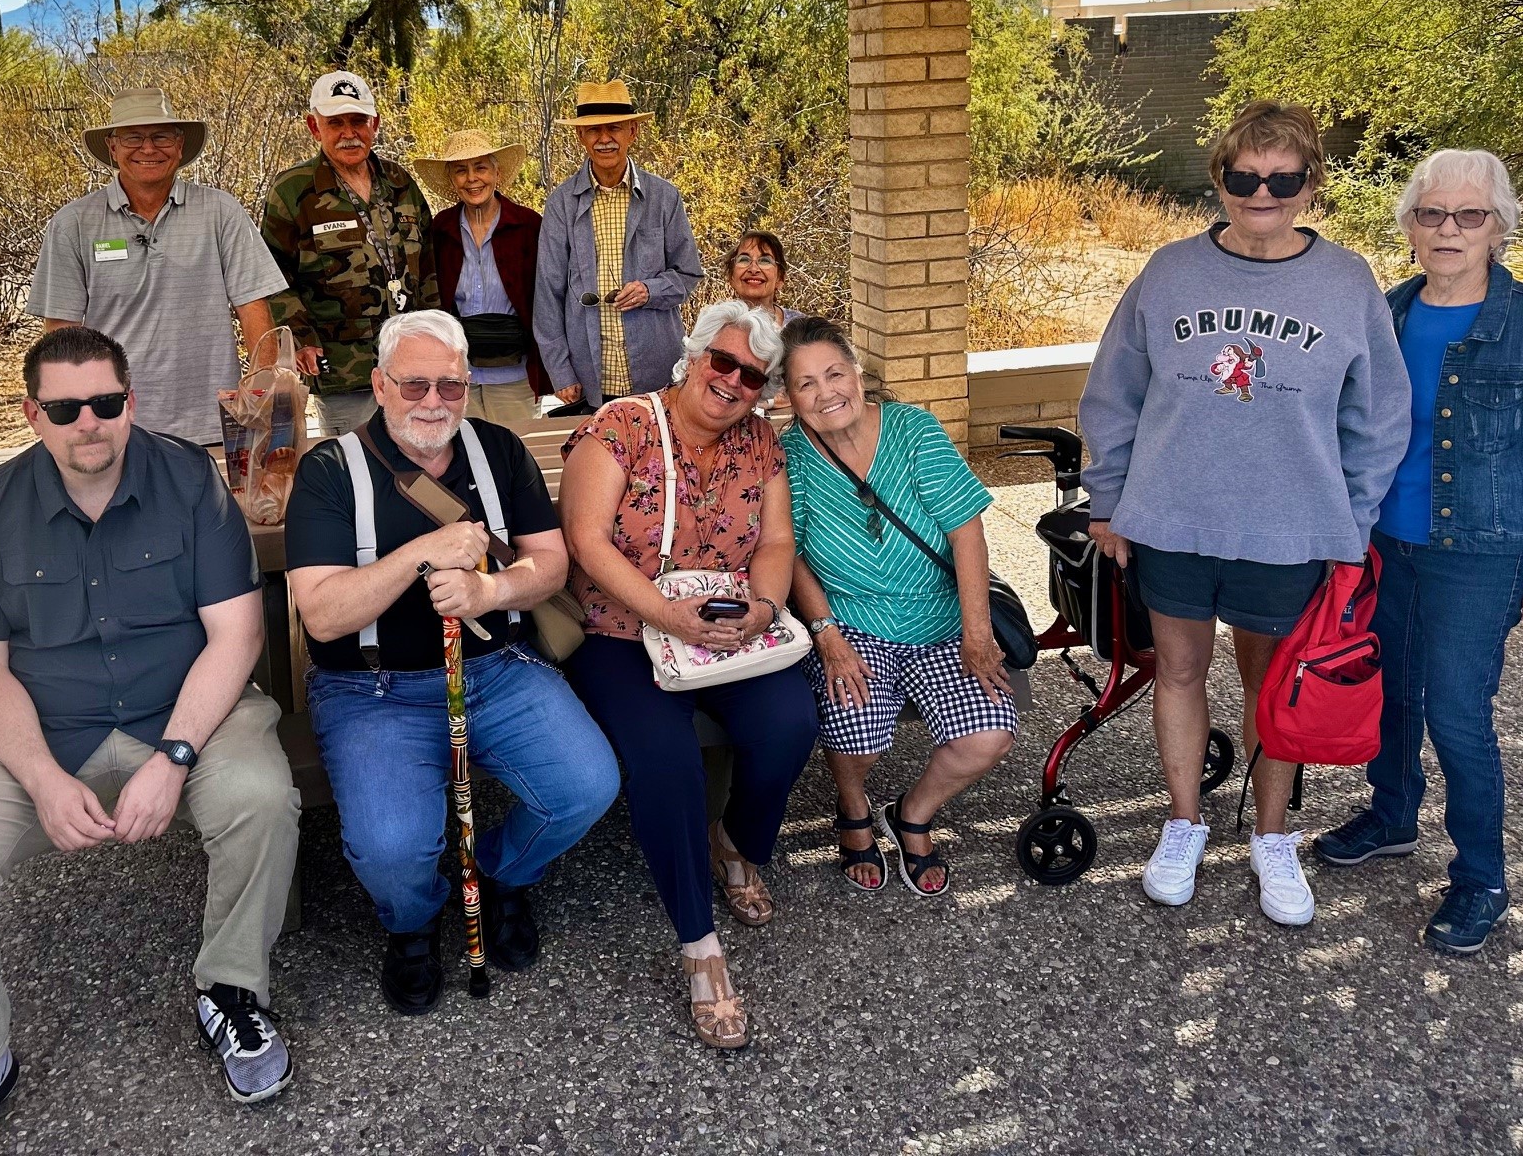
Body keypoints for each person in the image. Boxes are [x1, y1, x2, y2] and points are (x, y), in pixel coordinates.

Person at [0, 326, 302, 1154]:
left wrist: (175, 758)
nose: (89, 422)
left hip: (185, 715)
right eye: (66, 407)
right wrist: (39, 777)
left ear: (130, 403)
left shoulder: (190, 483)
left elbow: (235, 637)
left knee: (261, 796)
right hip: (42, 732)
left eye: (106, 403)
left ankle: (229, 992)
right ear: (33, 413)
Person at [1079, 101, 1409, 928]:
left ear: (1309, 185)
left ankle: (1271, 838)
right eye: (1244, 175)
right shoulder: (1167, 270)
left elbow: (1379, 414)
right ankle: (1182, 823)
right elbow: (1111, 395)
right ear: (1220, 180)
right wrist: (1109, 500)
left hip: (1287, 529)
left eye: (1282, 177)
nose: (1262, 192)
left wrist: (1350, 517)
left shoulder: (1345, 282)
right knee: (1180, 672)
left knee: (1272, 686)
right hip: (1174, 518)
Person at [284, 310, 618, 1014]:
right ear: (378, 385)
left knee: (584, 786)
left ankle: (498, 873)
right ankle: (413, 922)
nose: (433, 402)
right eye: (413, 386)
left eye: (450, 386)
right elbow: (321, 614)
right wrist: (416, 557)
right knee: (389, 851)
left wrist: (490, 589)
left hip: (493, 670)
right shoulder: (328, 471)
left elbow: (549, 565)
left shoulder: (497, 450)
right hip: (370, 689)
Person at [1315, 150, 1523, 954]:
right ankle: (1392, 814)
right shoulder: (1389, 311)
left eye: (1468, 215)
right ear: (1407, 225)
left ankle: (1480, 878)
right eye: (1431, 214)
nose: (1448, 230)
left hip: (1482, 550)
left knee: (1458, 714)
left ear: (1497, 228)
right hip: (1386, 542)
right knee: (1394, 692)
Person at [558, 300, 816, 1049]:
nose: (732, 382)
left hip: (723, 629)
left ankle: (733, 841)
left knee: (790, 722)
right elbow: (585, 540)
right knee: (665, 761)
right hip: (622, 632)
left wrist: (765, 607)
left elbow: (776, 538)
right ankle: (699, 946)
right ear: (695, 355)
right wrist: (667, 617)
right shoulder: (623, 426)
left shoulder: (758, 442)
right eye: (723, 362)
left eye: (751, 376)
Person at [779, 316, 1018, 897]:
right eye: (806, 383)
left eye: (835, 373)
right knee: (856, 725)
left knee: (990, 732)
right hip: (852, 622)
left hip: (941, 619)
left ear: (858, 374)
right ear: (788, 397)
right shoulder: (789, 455)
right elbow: (792, 557)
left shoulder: (914, 431)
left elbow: (966, 531)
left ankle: (910, 813)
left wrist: (976, 631)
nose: (826, 392)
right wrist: (826, 636)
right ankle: (853, 806)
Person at [29, 88, 287, 445]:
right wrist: (71, 416)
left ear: (180, 146)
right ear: (112, 147)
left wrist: (262, 396)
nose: (148, 149)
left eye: (161, 136)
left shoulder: (221, 213)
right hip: (117, 427)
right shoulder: (73, 224)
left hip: (214, 424)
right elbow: (61, 334)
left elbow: (254, 309)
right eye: (133, 137)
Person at [262, 70, 440, 436]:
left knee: (419, 463)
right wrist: (300, 337)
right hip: (344, 371)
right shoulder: (294, 190)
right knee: (355, 471)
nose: (348, 133)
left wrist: (436, 333)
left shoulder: (400, 182)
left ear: (374, 124)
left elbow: (429, 265)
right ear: (315, 127)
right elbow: (272, 274)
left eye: (358, 121)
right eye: (335, 123)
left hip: (411, 366)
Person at [533, 80, 703, 415]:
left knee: (660, 463)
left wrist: (649, 291)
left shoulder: (664, 198)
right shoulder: (561, 204)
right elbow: (547, 295)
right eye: (594, 130)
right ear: (581, 137)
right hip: (590, 375)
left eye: (615, 128)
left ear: (632, 131)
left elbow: (688, 273)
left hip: (658, 372)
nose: (604, 138)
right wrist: (561, 371)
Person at [416, 129, 548, 426]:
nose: (472, 178)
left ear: (497, 173)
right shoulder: (441, 228)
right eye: (461, 170)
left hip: (515, 374)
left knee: (515, 458)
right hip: (457, 373)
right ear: (452, 180)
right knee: (464, 459)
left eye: (481, 167)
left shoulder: (527, 225)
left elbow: (548, 298)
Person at [723, 230, 804, 329]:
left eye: (765, 261)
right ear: (731, 276)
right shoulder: (716, 325)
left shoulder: (800, 328)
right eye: (744, 259)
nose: (753, 269)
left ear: (780, 278)